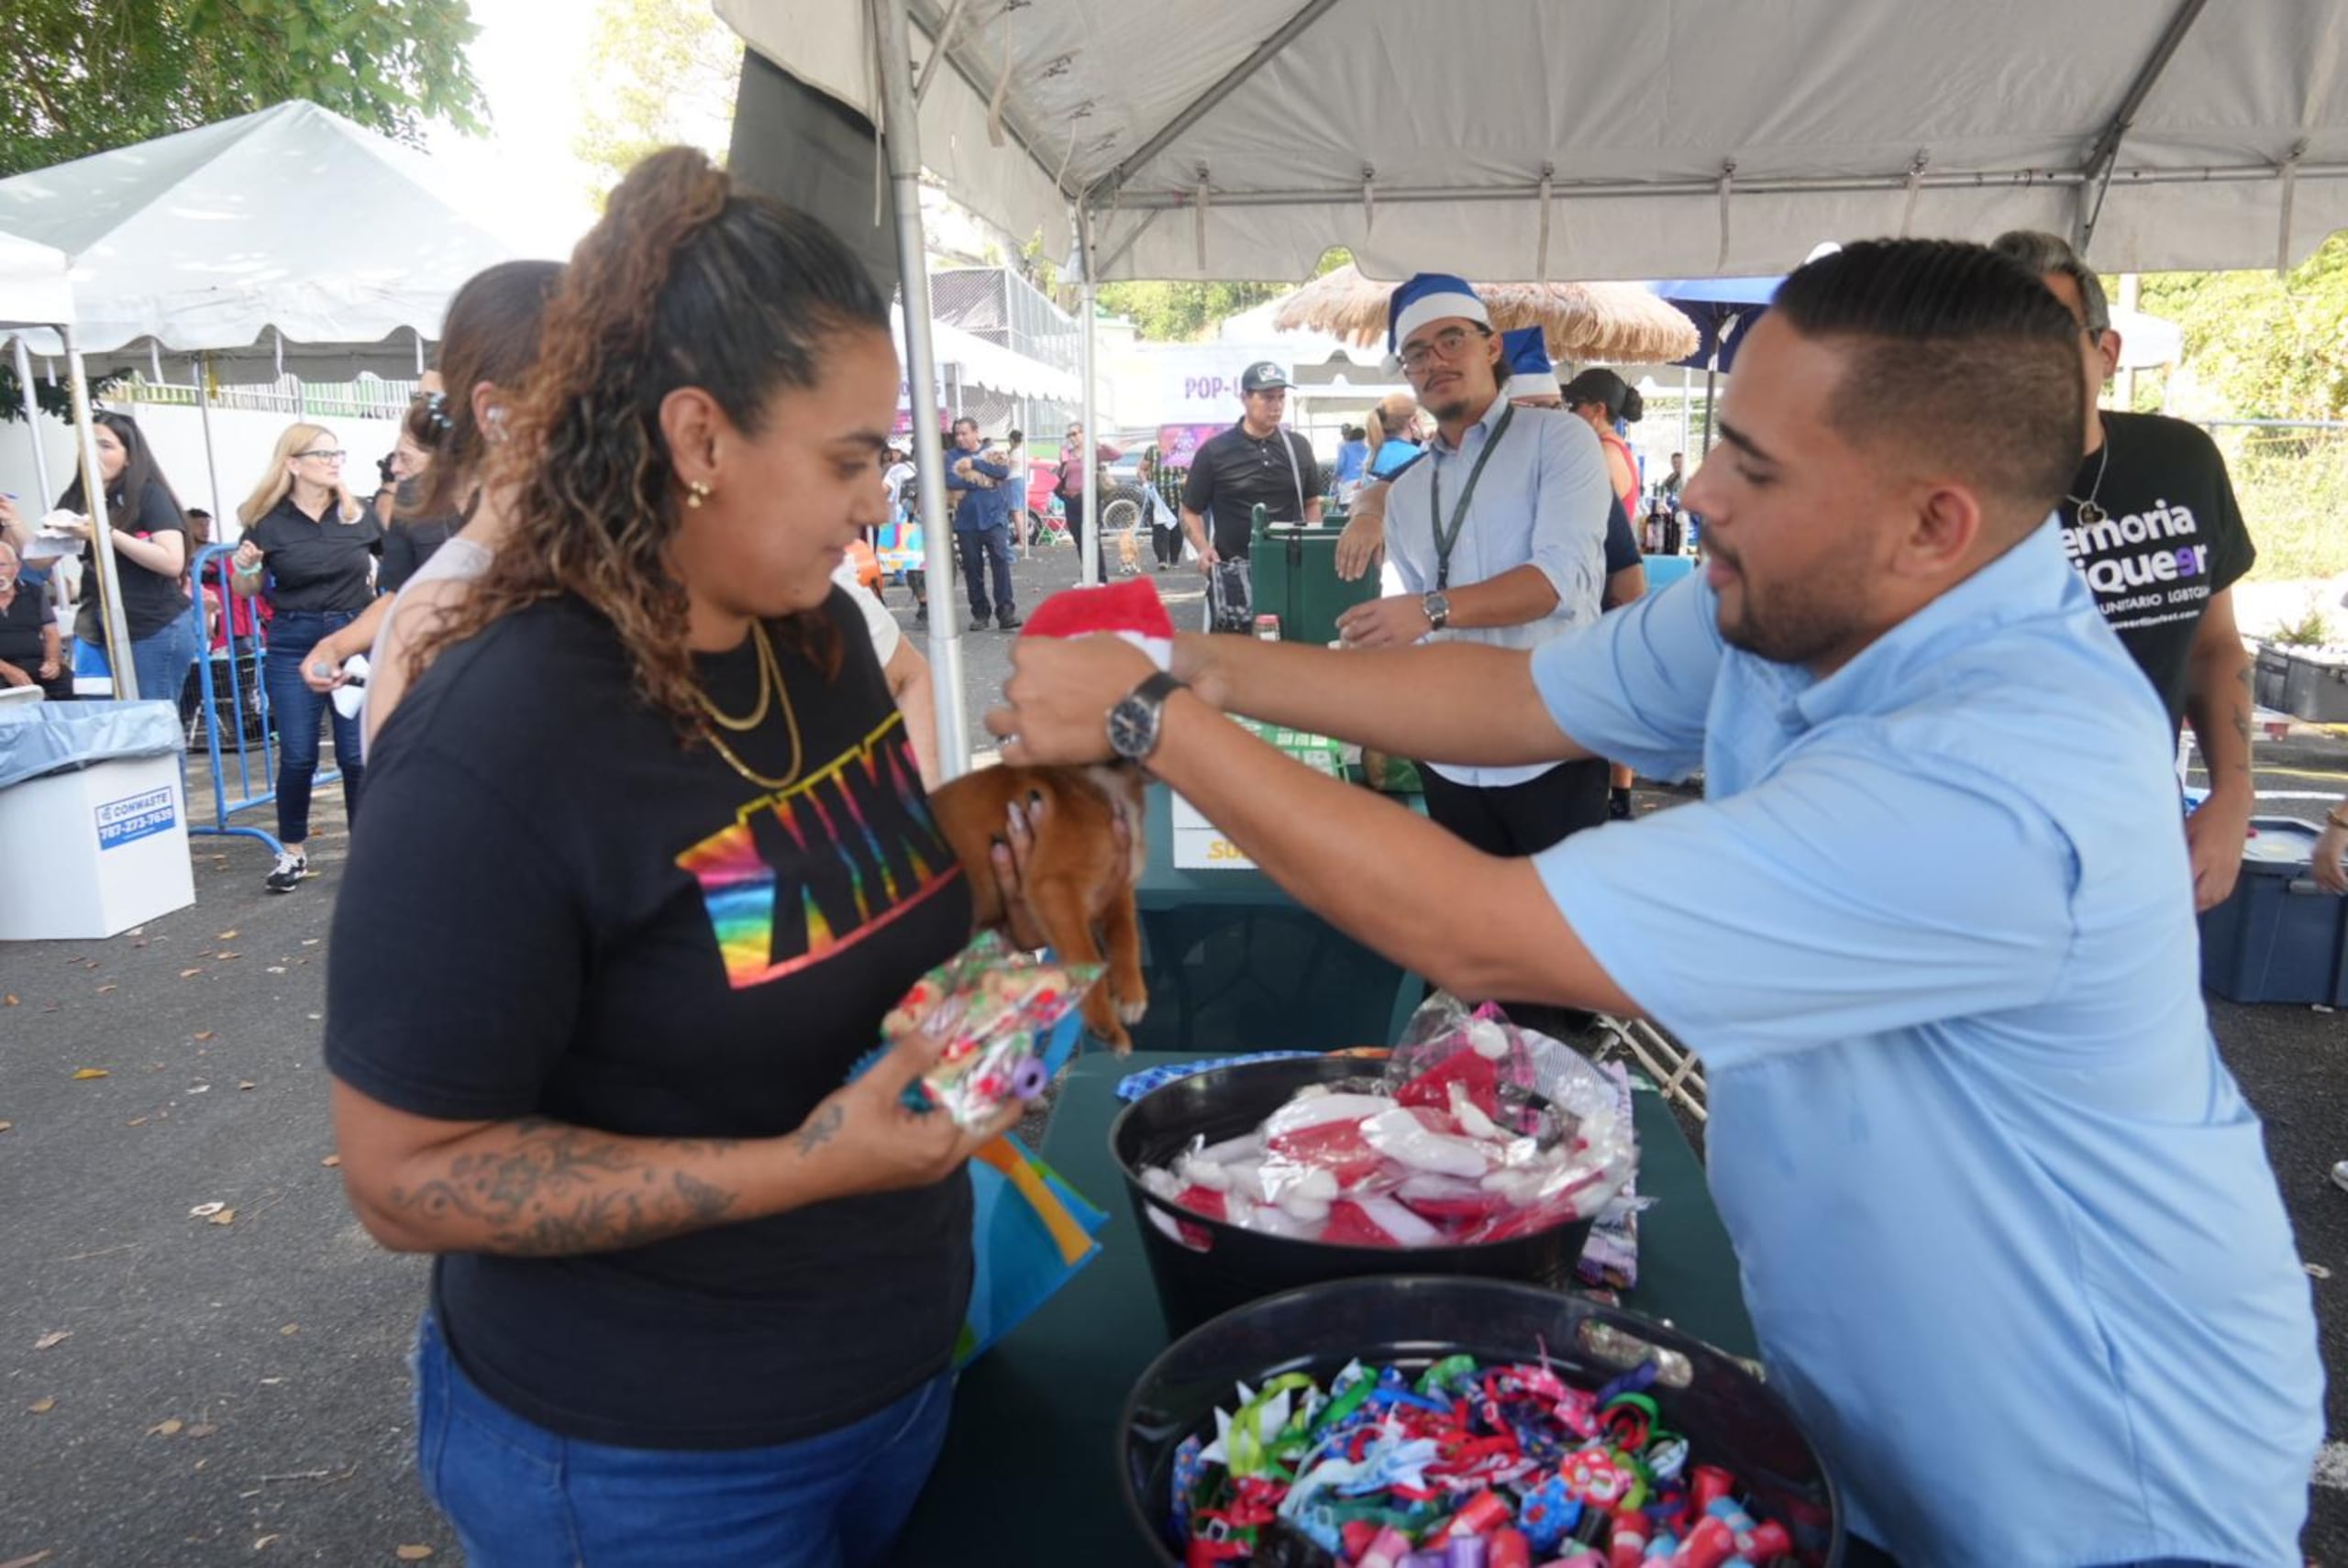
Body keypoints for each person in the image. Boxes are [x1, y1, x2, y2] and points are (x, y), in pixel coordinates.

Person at [987, 239, 2320, 1568]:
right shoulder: (1811, 598)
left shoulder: (2005, 779)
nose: (1701, 494)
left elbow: (1479, 926)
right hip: (1884, 1422)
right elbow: (1513, 697)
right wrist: (1190, 660)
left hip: (2102, 1490)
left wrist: (1146, 714)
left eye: (1757, 467)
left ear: (1935, 522)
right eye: (1722, 441)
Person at [324, 147, 1057, 1568]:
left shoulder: (828, 643)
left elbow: (828, 942)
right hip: (649, 1466)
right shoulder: (503, 736)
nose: (873, 503)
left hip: (906, 1372)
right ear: (701, 438)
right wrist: (808, 1165)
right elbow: (403, 1174)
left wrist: (1005, 999)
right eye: (852, 459)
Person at [1334, 278, 1613, 951]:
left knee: (1559, 955)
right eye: (1417, 354)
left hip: (1549, 742)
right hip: (1451, 754)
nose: (1435, 362)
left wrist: (1428, 611)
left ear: (1492, 347)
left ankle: (1564, 1057)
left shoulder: (1560, 442)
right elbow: (1405, 613)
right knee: (1472, 952)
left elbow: (1556, 582)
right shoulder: (1409, 489)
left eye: (1451, 340)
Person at [1991, 229, 2259, 912]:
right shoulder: (1939, 493)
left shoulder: (2182, 463)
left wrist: (2233, 794)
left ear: (2104, 352)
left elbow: (2212, 645)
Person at [229, 423, 382, 890]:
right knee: (297, 756)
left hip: (353, 637)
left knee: (356, 756)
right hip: (292, 639)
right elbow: (248, 588)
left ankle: (367, 853)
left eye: (339, 453)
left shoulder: (361, 514)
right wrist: (246, 568)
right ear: (292, 464)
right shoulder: (267, 521)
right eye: (323, 454)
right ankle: (291, 853)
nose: (335, 461)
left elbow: (397, 566)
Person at [1503, 327, 1648, 821]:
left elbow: (1627, 574)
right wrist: (1371, 509)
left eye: (1555, 410)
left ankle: (1617, 803)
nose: (1550, 424)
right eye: (1533, 412)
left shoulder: (1589, 468)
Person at [50, 410, 199, 705]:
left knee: (151, 725)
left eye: (105, 446)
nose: (93, 454)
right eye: (87, 444)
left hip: (151, 625)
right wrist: (14, 523)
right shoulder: (76, 496)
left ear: (129, 456)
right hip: (95, 627)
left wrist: (107, 534)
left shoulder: (148, 494)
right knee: (103, 723)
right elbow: (40, 561)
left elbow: (172, 562)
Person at [1180, 362, 1321, 629]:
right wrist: (1203, 549)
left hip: (1290, 573)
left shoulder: (1299, 447)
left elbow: (1311, 503)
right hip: (1234, 574)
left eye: (1281, 397)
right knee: (1233, 660)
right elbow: (1189, 510)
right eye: (1268, 397)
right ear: (1244, 397)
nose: (1276, 405)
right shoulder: (1214, 451)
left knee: (1289, 657)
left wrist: (1312, 549)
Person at [944, 416, 1020, 631]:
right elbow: (950, 481)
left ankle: (1006, 611)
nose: (960, 438)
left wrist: (975, 464)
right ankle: (980, 613)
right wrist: (985, 481)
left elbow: (1002, 472)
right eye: (957, 434)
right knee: (972, 568)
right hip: (966, 521)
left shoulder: (991, 451)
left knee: (1000, 563)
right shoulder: (951, 456)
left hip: (994, 517)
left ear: (976, 432)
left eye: (964, 433)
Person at [376, 425, 460, 595]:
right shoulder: (405, 500)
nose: (394, 468)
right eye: (394, 458)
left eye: (405, 458)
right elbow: (395, 590)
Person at [1559, 366, 1645, 522]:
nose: (1569, 411)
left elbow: (1579, 516)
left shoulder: (1604, 453)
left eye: (1574, 404)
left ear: (1599, 409)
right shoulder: (1615, 446)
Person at [0, 538, 68, 701]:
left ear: (16, 568)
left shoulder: (34, 592)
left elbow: (51, 632)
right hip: (2, 668)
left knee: (67, 684)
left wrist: (52, 661)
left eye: (2, 565)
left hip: (35, 664)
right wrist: (8, 670)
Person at [1056, 421, 1121, 587]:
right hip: (1071, 499)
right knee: (1079, 539)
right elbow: (1063, 475)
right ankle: (1086, 575)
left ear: (1084, 434)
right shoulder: (1066, 453)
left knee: (1092, 538)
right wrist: (1058, 470)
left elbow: (1116, 455)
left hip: (1089, 499)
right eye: (1069, 435)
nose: (1072, 438)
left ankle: (1100, 577)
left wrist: (1098, 441)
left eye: (1075, 433)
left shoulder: (1094, 452)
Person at [1331, 424, 1370, 500]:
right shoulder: (1367, 450)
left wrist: (1336, 475)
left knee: (1347, 507)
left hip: (1348, 481)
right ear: (1364, 438)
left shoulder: (1344, 447)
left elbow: (1340, 465)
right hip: (1363, 482)